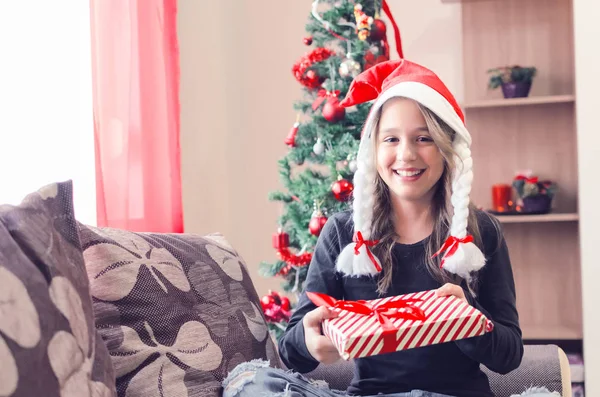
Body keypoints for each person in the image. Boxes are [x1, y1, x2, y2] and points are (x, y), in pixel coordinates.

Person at [222, 60, 559, 397]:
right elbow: (292, 348)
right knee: (254, 385)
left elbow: (509, 355)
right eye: (391, 139)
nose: (406, 154)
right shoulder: (343, 233)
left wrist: (467, 319)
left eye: (423, 138)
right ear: (374, 150)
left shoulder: (482, 232)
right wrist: (310, 341)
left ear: (446, 148)